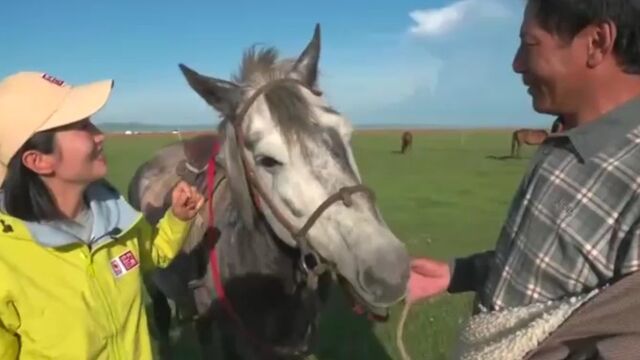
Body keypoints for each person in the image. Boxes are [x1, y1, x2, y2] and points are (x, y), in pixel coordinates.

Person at [408, 0, 640, 357]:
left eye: (529, 44)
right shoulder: (565, 136)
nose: (516, 63)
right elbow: (545, 263)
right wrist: (457, 274)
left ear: (596, 42)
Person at [0, 71, 204, 359]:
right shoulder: (6, 260)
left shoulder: (117, 220)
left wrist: (177, 219)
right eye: (82, 125)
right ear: (38, 161)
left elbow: (153, 253)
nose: (100, 135)